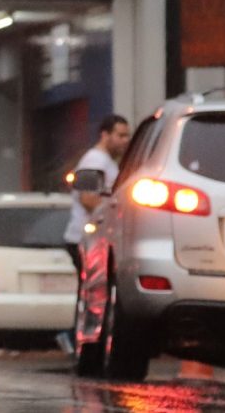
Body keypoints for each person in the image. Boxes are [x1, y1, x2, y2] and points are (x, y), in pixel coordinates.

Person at [56, 114, 131, 354]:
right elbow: (88, 197)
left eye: (127, 135)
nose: (125, 140)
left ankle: (80, 338)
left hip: (97, 240)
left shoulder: (106, 162)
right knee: (91, 292)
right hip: (85, 239)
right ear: (104, 135)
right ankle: (74, 338)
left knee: (93, 291)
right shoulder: (94, 160)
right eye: (120, 135)